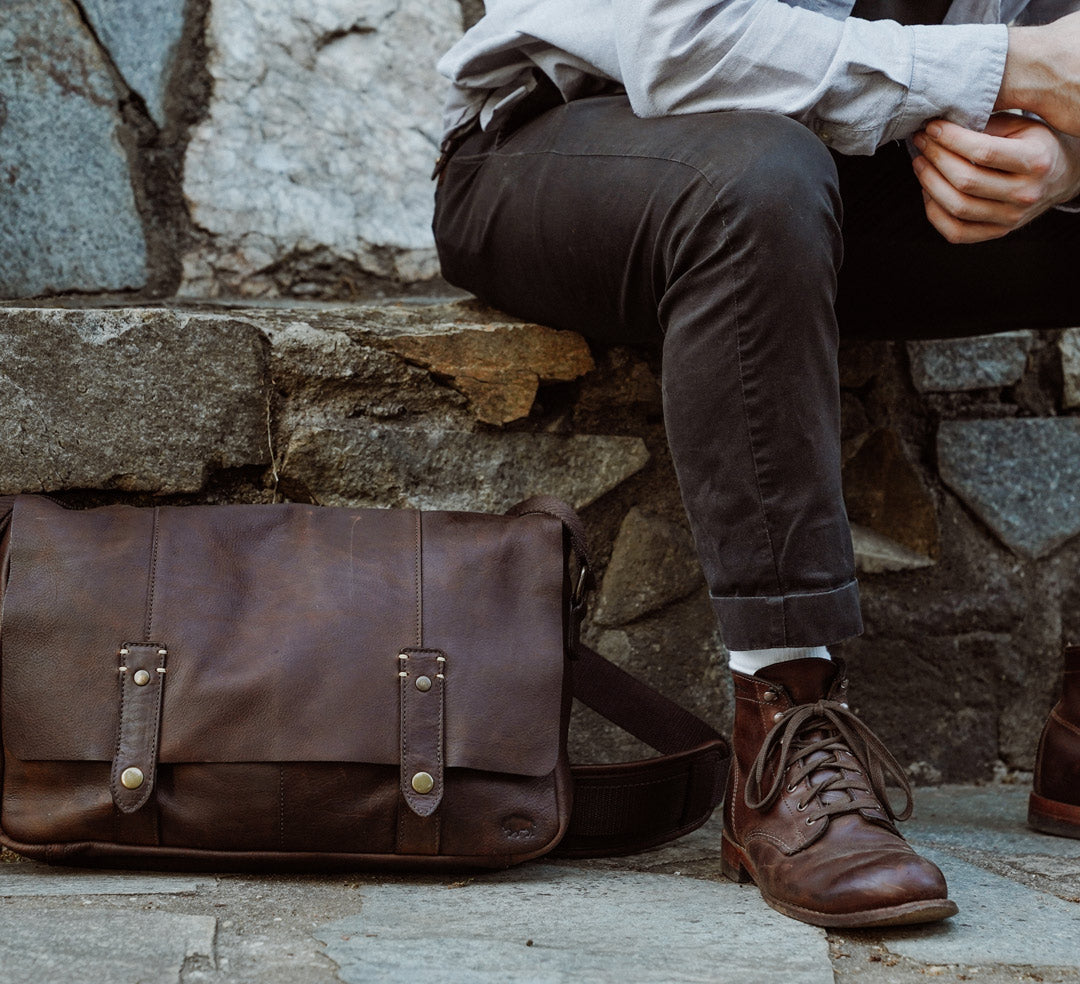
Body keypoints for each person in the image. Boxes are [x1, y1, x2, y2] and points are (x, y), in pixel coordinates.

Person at [430, 0, 1080, 928]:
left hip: (868, 172)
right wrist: (1021, 68)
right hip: (572, 144)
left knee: (782, 172)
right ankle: (784, 718)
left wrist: (1067, 161)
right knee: (760, 174)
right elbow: (682, 45)